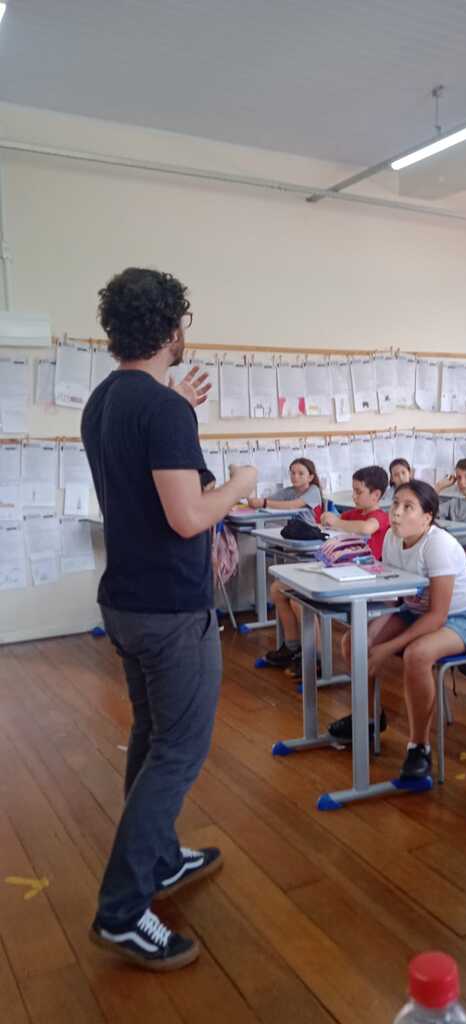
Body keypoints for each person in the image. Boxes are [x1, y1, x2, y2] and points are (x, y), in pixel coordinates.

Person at [82, 267, 257, 971]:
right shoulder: (163, 410)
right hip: (170, 610)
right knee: (179, 751)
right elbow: (188, 516)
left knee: (153, 737)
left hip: (125, 601)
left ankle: (157, 858)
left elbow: (143, 478)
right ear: (171, 329)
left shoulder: (105, 401)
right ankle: (123, 911)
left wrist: (176, 406)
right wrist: (238, 486)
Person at [327, 481, 466, 779]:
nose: (397, 513)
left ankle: (419, 746)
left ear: (427, 517)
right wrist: (370, 634)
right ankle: (368, 719)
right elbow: (394, 597)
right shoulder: (392, 538)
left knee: (416, 655)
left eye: (408, 507)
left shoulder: (438, 545)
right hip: (415, 611)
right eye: (395, 504)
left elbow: (438, 615)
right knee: (354, 641)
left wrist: (387, 648)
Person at [265, 465, 390, 677]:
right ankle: (292, 646)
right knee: (278, 589)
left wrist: (338, 522)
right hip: (339, 571)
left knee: (298, 599)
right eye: (353, 490)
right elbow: (331, 524)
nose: (354, 496)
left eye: (359, 492)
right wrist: (328, 519)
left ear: (376, 495)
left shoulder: (380, 516)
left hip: (362, 578)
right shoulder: (352, 514)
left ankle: (315, 657)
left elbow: (366, 528)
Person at [247, 457, 322, 523]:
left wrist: (264, 503)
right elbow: (268, 500)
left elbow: (292, 505)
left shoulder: (314, 490)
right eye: (293, 473)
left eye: (301, 474)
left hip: (310, 528)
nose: (295, 477)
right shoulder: (288, 491)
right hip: (292, 527)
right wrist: (253, 501)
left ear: (310, 477)